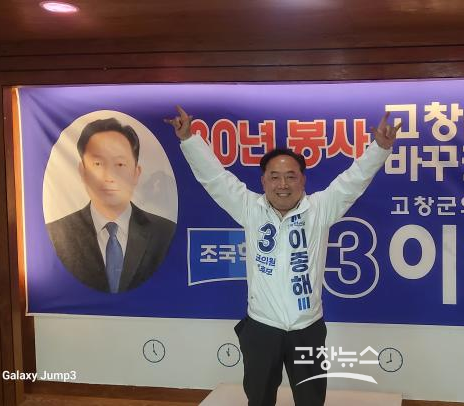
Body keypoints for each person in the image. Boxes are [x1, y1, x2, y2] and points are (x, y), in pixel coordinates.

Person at [167, 106, 400, 406]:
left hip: (307, 328)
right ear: (263, 181)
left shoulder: (321, 208)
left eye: (291, 176)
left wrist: (379, 148)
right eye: (274, 177)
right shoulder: (249, 208)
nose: (283, 185)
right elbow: (215, 178)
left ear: (303, 181)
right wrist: (189, 139)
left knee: (311, 400)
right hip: (261, 327)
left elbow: (354, 180)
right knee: (259, 399)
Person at [46, 117, 176, 294]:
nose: (109, 176)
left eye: (120, 164)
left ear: (136, 173)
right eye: (98, 164)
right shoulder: (57, 233)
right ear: (82, 171)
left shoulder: (165, 233)